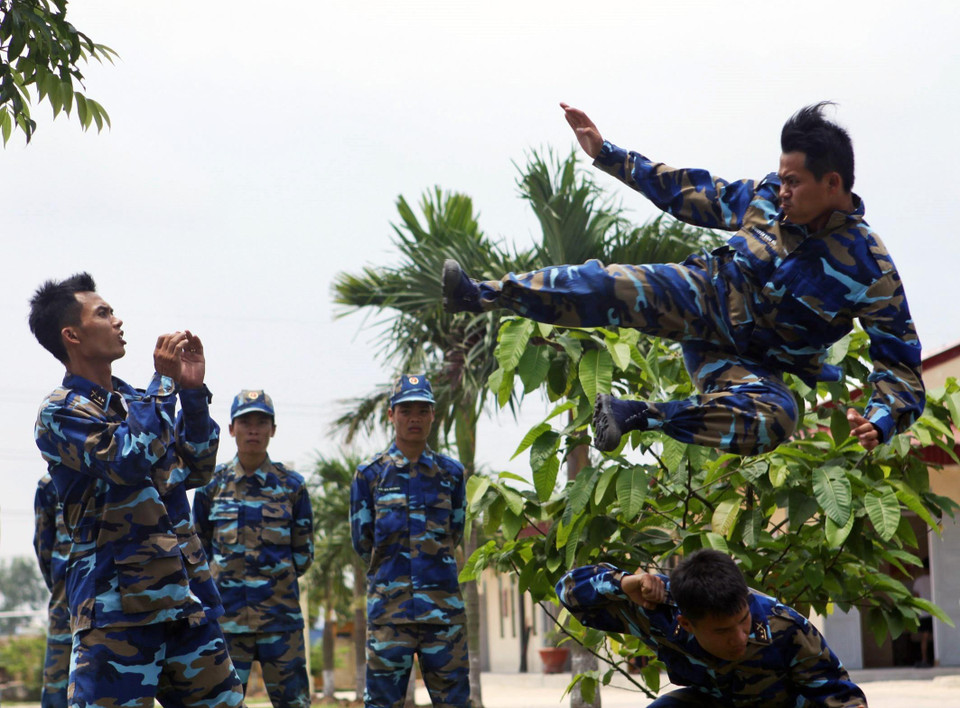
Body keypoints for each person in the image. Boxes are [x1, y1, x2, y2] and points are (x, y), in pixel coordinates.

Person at [443, 102, 924, 456]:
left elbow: (901, 368)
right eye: (781, 179)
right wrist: (607, 154)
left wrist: (881, 420)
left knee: (778, 418)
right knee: (607, 286)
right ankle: (481, 294)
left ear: (833, 183)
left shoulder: (871, 269)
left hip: (744, 364)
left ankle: (639, 415)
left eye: (794, 182)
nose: (783, 192)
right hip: (702, 296)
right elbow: (690, 192)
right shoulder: (767, 198)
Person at [29, 272, 243, 707]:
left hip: (184, 601)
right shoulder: (60, 412)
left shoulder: (138, 401)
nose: (118, 321)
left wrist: (193, 393)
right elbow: (128, 459)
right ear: (71, 335)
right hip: (117, 614)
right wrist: (163, 386)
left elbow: (196, 468)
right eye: (103, 313)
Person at [557, 549, 867, 707]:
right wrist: (624, 584)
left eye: (743, 621)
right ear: (686, 623)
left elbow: (843, 698)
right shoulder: (659, 610)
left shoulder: (784, 627)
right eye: (722, 631)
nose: (739, 638)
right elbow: (568, 590)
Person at [350, 374, 469, 708]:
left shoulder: (451, 473)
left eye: (422, 410)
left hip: (443, 615)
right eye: (405, 410)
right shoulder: (370, 475)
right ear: (391, 415)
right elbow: (363, 541)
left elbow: (454, 532)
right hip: (389, 615)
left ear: (433, 415)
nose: (414, 417)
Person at [193, 389, 315, 707]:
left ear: (273, 429)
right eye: (245, 422)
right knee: (222, 703)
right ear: (232, 428)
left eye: (262, 422)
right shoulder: (211, 485)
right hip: (227, 622)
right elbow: (199, 550)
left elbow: (303, 553)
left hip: (281, 621)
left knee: (294, 703)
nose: (254, 430)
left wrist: (274, 584)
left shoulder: (292, 486)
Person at [33, 473, 71, 708]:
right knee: (57, 694)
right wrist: (61, 588)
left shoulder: (119, 470)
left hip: (114, 613)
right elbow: (43, 548)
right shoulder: (50, 485)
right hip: (65, 613)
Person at [911, 558, 933, 667]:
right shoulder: (935, 579)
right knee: (938, 636)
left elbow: (916, 597)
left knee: (924, 638)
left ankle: (925, 659)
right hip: (937, 613)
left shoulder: (919, 581)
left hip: (924, 613)